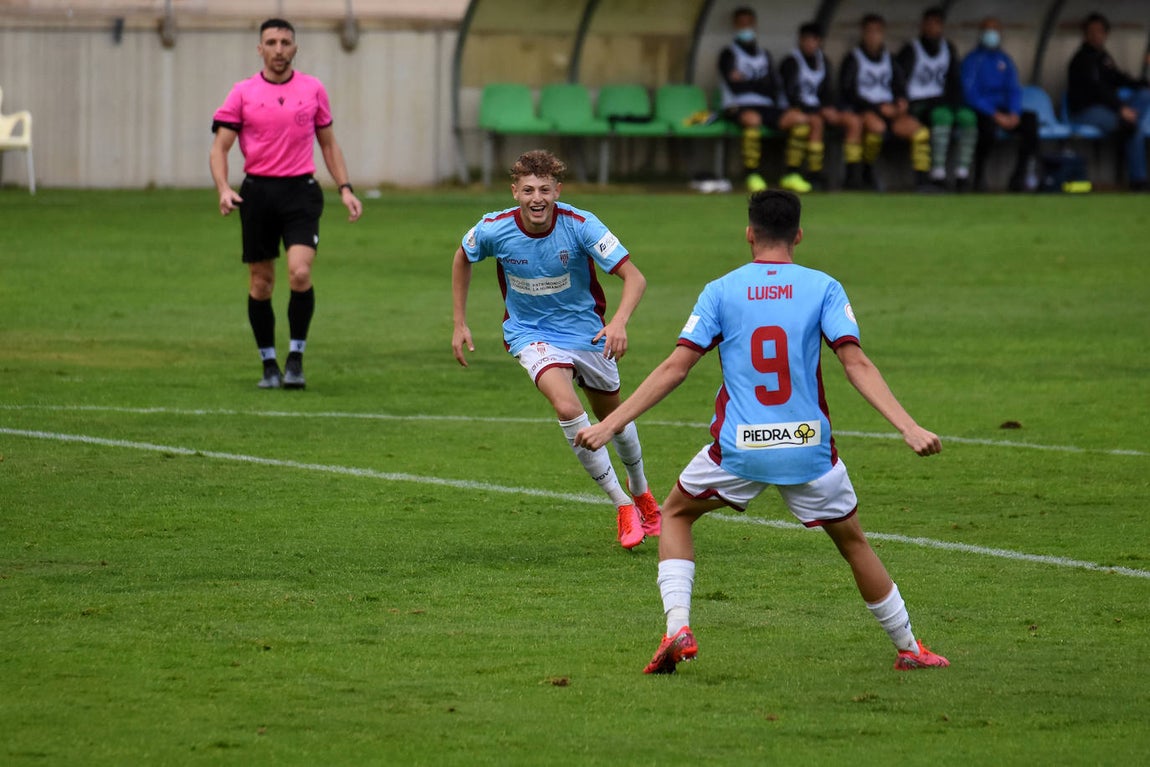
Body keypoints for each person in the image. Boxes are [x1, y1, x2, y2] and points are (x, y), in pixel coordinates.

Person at [575, 190, 950, 675]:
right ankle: (909, 648)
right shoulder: (823, 287)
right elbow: (855, 362)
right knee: (853, 542)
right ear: (798, 235)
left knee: (675, 514)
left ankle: (678, 628)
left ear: (749, 234)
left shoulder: (721, 290)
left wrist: (609, 423)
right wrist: (908, 425)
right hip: (809, 451)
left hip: (739, 449)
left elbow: (676, 367)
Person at [451, 150, 661, 550]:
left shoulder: (581, 225)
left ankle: (641, 491)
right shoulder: (494, 228)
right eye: (528, 189)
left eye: (545, 189)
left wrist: (617, 322)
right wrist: (459, 321)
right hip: (529, 333)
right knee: (567, 409)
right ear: (515, 192)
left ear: (557, 191)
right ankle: (622, 506)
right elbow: (463, 255)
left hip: (586, 334)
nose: (537, 198)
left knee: (612, 418)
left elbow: (635, 278)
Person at [210, 18, 363, 390]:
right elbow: (220, 148)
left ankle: (295, 358)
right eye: (271, 42)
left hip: (300, 192)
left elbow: (328, 143)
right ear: (260, 49)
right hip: (258, 193)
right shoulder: (242, 93)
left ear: (295, 48)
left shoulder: (312, 89)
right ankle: (268, 363)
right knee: (261, 283)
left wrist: (345, 187)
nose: (279, 49)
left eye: (285, 43)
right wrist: (222, 188)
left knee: (299, 273)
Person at [718, 6, 814, 194]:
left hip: (765, 105)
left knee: (800, 120)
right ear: (735, 26)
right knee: (752, 120)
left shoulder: (764, 54)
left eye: (748, 23)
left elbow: (773, 86)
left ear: (755, 25)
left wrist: (747, 80)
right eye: (741, 24)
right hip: (737, 106)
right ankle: (751, 174)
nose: (745, 28)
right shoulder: (728, 54)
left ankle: (792, 174)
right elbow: (734, 86)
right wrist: (758, 83)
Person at [838, 14, 932, 190]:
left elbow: (900, 85)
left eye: (877, 32)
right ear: (863, 33)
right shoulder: (853, 58)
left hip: (891, 111)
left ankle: (923, 181)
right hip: (866, 110)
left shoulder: (890, 59)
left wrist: (901, 102)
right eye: (870, 32)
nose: (874, 36)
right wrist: (876, 108)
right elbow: (848, 91)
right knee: (876, 129)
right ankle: (863, 174)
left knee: (921, 132)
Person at [896, 6, 977, 191]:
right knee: (943, 117)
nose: (933, 28)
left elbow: (954, 80)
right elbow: (899, 80)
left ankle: (962, 173)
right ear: (922, 25)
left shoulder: (948, 48)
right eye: (929, 23)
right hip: (919, 103)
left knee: (968, 117)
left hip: (942, 101)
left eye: (937, 24)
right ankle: (938, 172)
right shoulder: (911, 49)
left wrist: (956, 102)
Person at [1067, 12, 1150, 190]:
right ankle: (1139, 181)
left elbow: (1118, 78)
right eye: (1092, 31)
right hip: (1086, 111)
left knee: (1144, 96)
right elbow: (1097, 90)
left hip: (1110, 109)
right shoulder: (1082, 59)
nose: (1096, 35)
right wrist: (1120, 109)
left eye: (1100, 31)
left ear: (1106, 34)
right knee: (1132, 128)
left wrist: (1142, 84)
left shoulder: (1104, 57)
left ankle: (1129, 122)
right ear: (1085, 34)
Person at [779, 22, 863, 190]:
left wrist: (830, 108)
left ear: (819, 41)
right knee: (815, 122)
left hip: (819, 109)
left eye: (814, 40)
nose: (810, 44)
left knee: (853, 121)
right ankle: (813, 173)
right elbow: (790, 94)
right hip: (796, 110)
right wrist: (818, 110)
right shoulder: (791, 61)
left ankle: (853, 176)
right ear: (800, 41)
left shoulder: (823, 61)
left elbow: (828, 91)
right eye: (806, 40)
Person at [960, 17, 1038, 192]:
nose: (992, 34)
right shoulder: (973, 60)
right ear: (981, 34)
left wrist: (1014, 113)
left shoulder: (1005, 60)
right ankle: (979, 176)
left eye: (995, 30)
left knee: (1030, 121)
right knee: (986, 129)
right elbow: (970, 93)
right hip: (983, 110)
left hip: (1005, 110)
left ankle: (1020, 176)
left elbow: (1014, 89)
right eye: (988, 30)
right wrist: (994, 114)